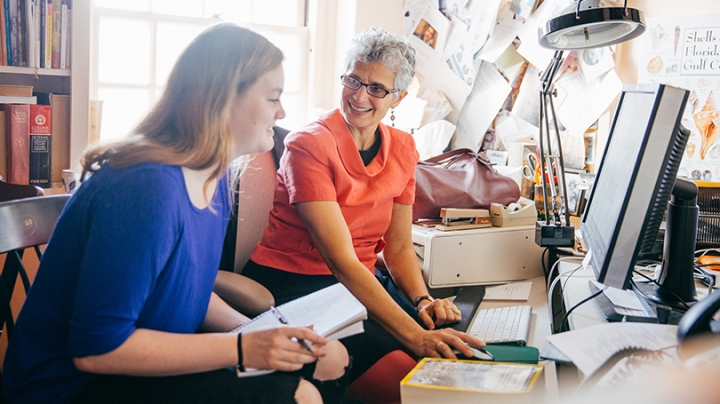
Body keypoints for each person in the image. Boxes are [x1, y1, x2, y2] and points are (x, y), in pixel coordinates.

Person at [1, 23, 350, 404]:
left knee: (330, 361)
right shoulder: (146, 189)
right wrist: (243, 348)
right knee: (300, 396)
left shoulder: (215, 179)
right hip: (72, 388)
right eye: (272, 97)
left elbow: (191, 294)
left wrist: (264, 335)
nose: (282, 111)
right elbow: (96, 349)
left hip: (145, 363)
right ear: (221, 100)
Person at [242, 27, 484, 386]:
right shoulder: (308, 146)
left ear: (397, 99)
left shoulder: (403, 148)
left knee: (455, 358)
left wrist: (421, 300)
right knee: (416, 377)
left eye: (376, 88)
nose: (359, 96)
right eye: (353, 80)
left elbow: (399, 247)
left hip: (359, 284)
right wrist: (416, 335)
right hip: (298, 285)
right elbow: (340, 261)